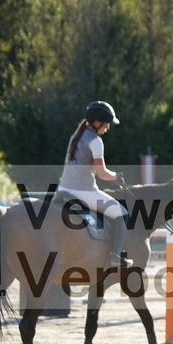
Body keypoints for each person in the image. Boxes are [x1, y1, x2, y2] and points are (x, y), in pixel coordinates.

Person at [57, 101, 133, 269]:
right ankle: (114, 255)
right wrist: (116, 177)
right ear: (97, 122)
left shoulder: (76, 136)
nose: (108, 127)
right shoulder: (95, 140)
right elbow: (102, 173)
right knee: (122, 213)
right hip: (83, 192)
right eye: (106, 123)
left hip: (62, 190)